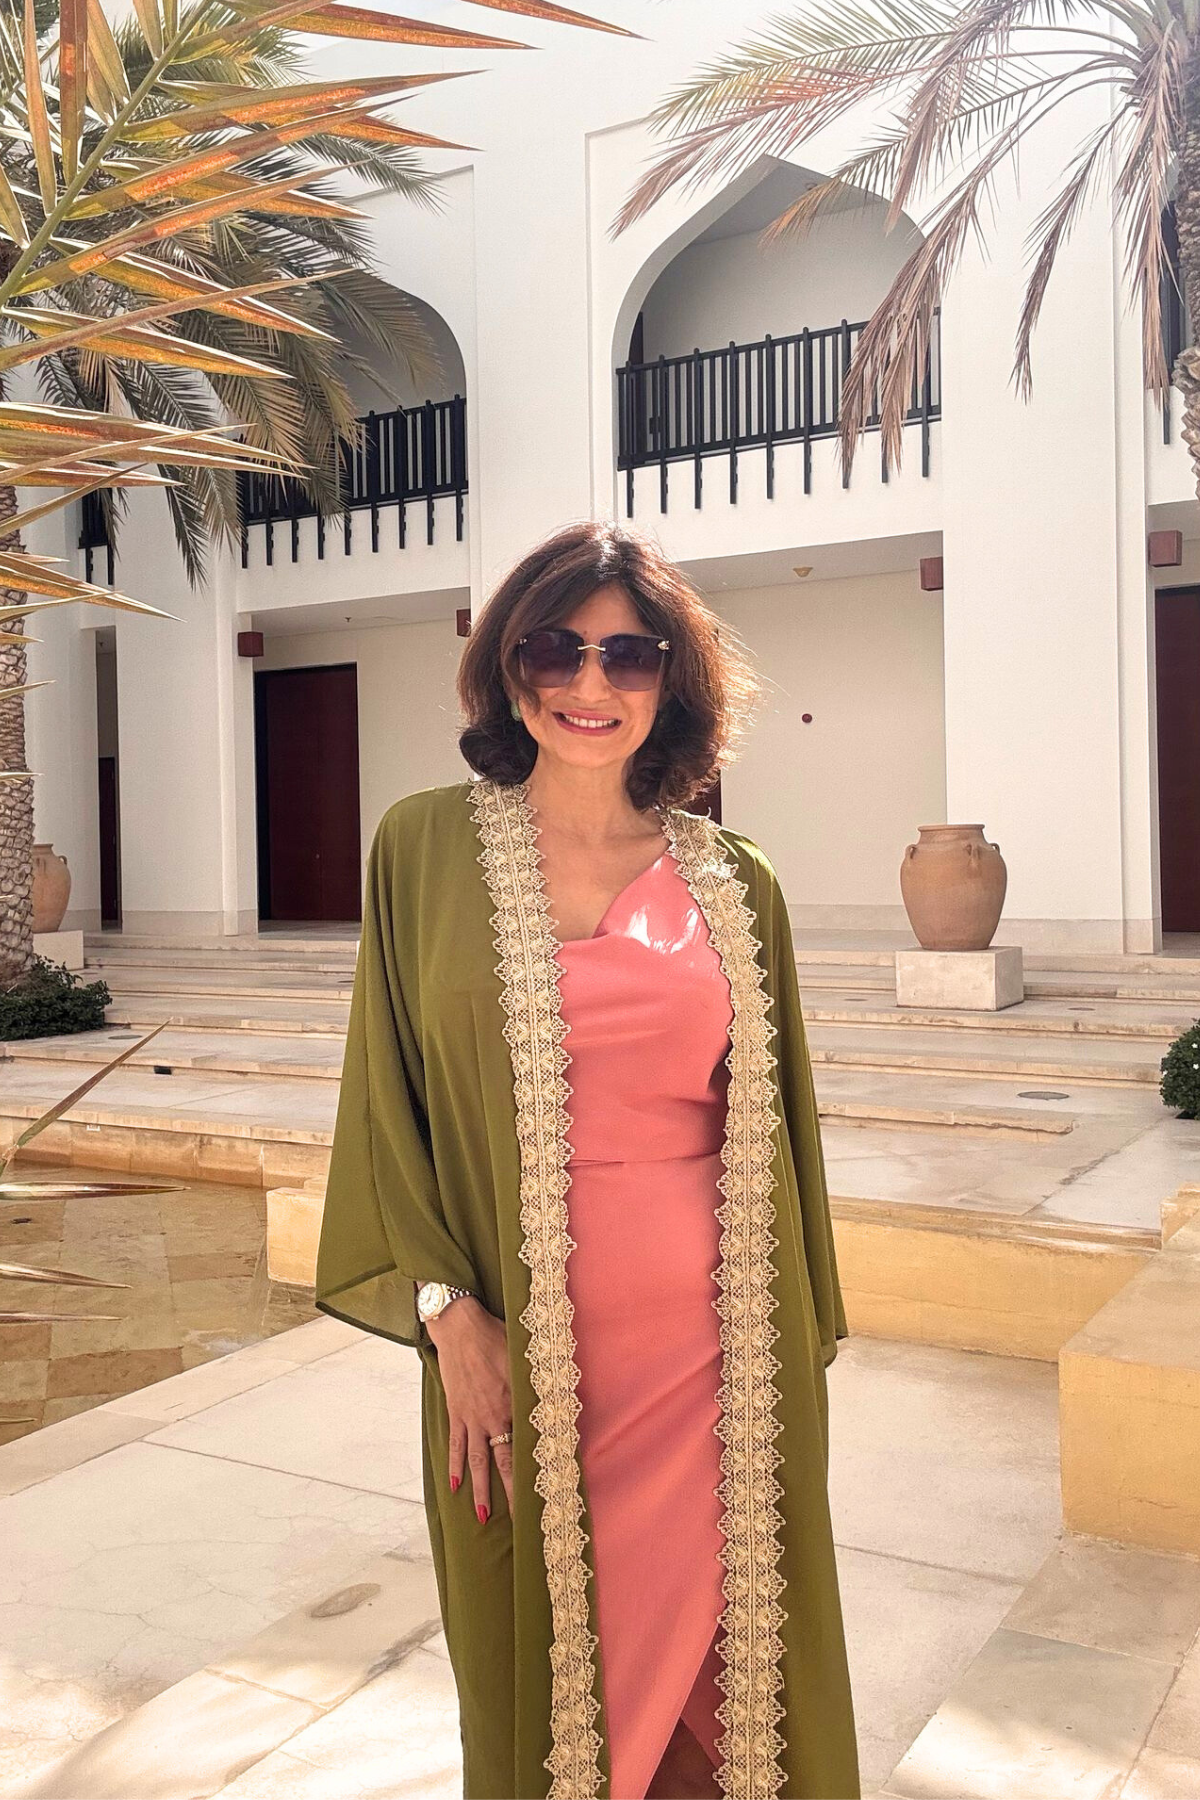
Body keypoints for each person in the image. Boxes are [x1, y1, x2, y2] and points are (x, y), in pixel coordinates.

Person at [313, 519, 860, 1800]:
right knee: (544, 1691)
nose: (590, 683)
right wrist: (447, 1312)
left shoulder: (735, 881)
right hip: (520, 1353)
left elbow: (782, 1141)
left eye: (630, 654)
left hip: (719, 1367)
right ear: (509, 669)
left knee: (735, 1711)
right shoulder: (421, 850)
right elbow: (385, 1104)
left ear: (674, 680)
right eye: (555, 650)